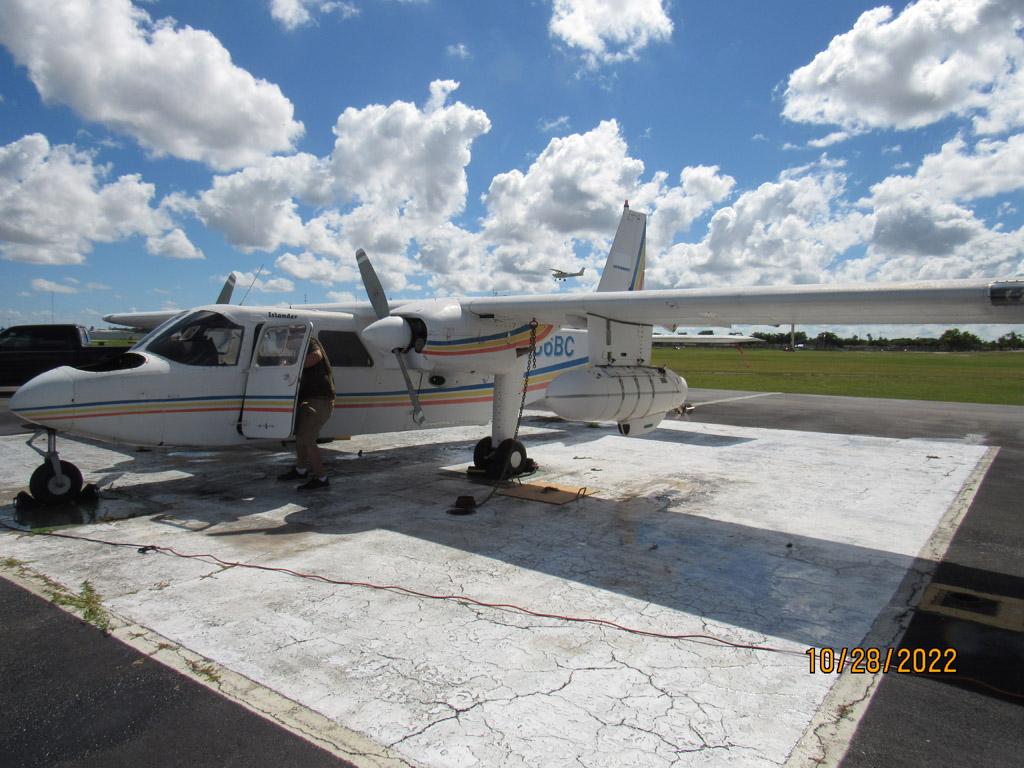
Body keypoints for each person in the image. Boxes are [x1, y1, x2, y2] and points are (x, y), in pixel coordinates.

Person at [278, 335, 335, 490]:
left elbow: (316, 356)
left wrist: (292, 365)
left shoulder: (308, 340)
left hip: (319, 400)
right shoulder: (297, 344)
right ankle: (301, 470)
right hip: (309, 399)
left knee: (307, 439)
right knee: (301, 437)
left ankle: (322, 479)